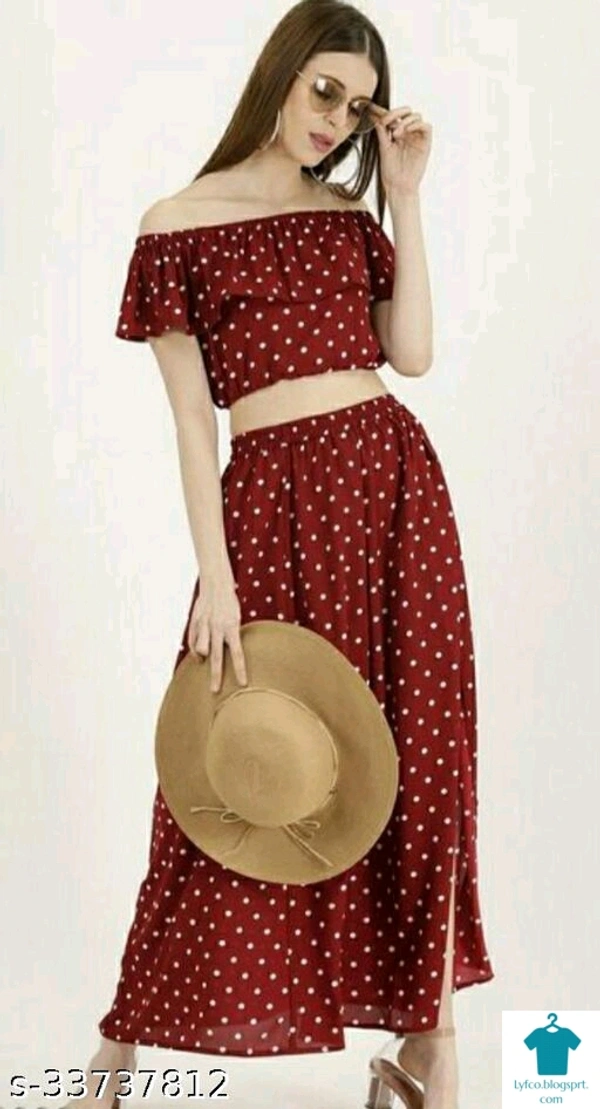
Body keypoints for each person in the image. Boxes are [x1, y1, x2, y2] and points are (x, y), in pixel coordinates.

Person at [73, 3, 494, 1108]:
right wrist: (215, 578)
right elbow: (193, 424)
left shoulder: (349, 218)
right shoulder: (177, 226)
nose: (335, 120)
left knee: (422, 764)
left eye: (357, 106)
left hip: (394, 496)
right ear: (282, 74)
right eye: (324, 91)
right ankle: (118, 1047)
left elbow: (412, 355)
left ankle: (430, 1044)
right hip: (268, 510)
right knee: (229, 761)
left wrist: (405, 197)